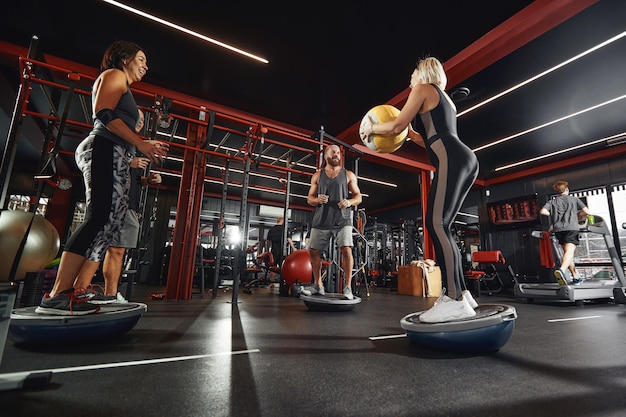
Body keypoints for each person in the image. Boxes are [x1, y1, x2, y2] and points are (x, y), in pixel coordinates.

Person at [36, 40, 168, 315]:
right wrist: (142, 144)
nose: (146, 65)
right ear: (124, 59)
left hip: (116, 152)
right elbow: (103, 113)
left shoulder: (125, 86)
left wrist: (139, 145)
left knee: (109, 222)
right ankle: (58, 293)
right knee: (99, 217)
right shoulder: (114, 75)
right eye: (141, 59)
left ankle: (77, 289)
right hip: (104, 147)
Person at [360, 57, 478, 323]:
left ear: (423, 72)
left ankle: (454, 299)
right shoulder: (444, 98)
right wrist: (408, 132)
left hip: (452, 158)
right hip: (464, 158)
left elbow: (396, 126)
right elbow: (420, 136)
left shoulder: (423, 89)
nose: (410, 78)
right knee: (443, 226)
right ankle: (463, 294)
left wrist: (372, 128)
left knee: (436, 224)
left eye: (413, 72)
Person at [89, 157, 162, 304]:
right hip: (111, 202)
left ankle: (111, 294)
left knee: (118, 251)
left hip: (128, 206)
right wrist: (128, 163)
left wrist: (148, 180)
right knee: (97, 248)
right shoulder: (118, 145)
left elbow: (134, 180)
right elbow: (95, 163)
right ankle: (78, 289)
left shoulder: (133, 152)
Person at [301, 144, 362, 300]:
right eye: (333, 152)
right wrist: (317, 200)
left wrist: (349, 202)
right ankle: (318, 285)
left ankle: (347, 287)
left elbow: (358, 196)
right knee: (313, 251)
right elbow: (309, 199)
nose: (337, 154)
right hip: (321, 219)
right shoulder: (317, 175)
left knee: (346, 250)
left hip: (342, 219)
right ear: (326, 155)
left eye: (338, 153)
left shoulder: (348, 174)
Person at [539, 180, 590, 285]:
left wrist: (552, 215)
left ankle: (575, 276)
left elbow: (543, 211)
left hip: (558, 230)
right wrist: (578, 214)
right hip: (571, 228)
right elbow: (587, 212)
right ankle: (561, 270)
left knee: (567, 254)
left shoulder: (552, 202)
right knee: (570, 252)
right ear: (567, 189)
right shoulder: (574, 199)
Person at [265, 216, 295, 281]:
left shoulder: (271, 229)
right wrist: (294, 248)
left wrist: (267, 250)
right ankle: (283, 281)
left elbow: (268, 241)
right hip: (282, 251)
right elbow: (289, 239)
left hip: (274, 250)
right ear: (283, 221)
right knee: (283, 266)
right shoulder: (284, 229)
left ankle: (272, 281)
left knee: (273, 266)